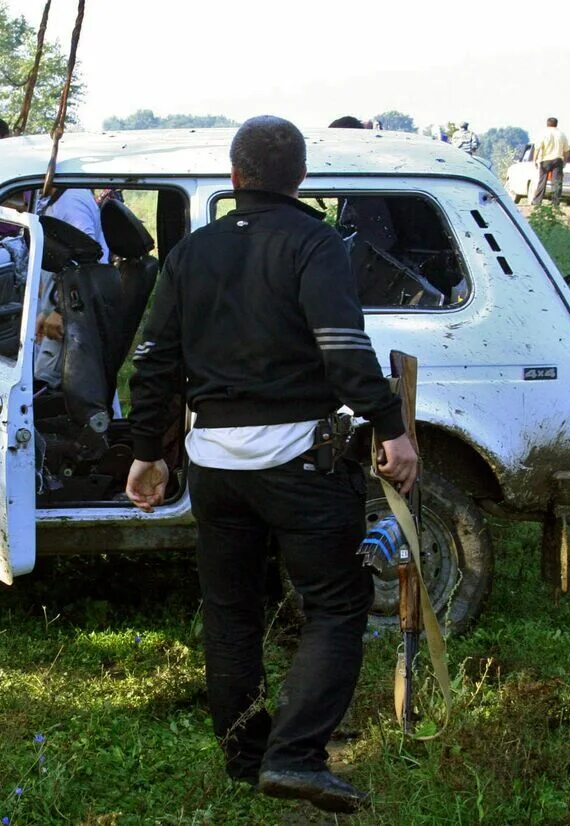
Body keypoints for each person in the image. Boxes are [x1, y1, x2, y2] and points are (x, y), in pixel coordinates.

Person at [125, 115, 417, 814]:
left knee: (230, 610)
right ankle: (293, 758)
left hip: (214, 467)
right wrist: (391, 427)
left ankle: (244, 754)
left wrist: (145, 454)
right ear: (300, 179)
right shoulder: (317, 243)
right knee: (339, 603)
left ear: (234, 177)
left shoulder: (192, 253)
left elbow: (153, 361)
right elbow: (344, 350)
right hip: (300, 464)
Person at [33, 187, 108, 390]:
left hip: (73, 315)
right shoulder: (58, 199)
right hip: (68, 310)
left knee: (44, 387)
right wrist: (46, 310)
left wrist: (60, 311)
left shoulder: (71, 201)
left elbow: (88, 262)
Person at [531, 117, 570, 207]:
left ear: (547, 124)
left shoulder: (543, 133)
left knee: (542, 181)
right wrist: (565, 161)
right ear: (556, 124)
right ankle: (555, 202)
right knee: (557, 182)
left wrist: (535, 160)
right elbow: (567, 150)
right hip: (558, 159)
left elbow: (537, 148)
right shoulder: (562, 134)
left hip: (545, 159)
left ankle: (537, 200)